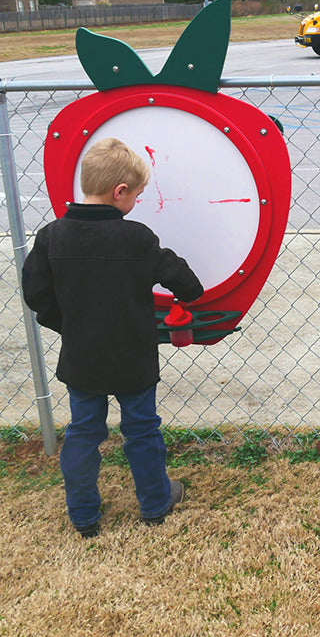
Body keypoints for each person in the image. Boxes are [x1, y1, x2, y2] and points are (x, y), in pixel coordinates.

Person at [21, 137, 204, 537]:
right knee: (142, 429)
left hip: (82, 357)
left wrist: (67, 325)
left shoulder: (52, 236)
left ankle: (84, 515)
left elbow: (36, 294)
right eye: (136, 195)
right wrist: (190, 293)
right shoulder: (137, 238)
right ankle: (155, 503)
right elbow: (183, 280)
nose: (136, 202)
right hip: (133, 358)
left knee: (84, 432)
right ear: (119, 192)